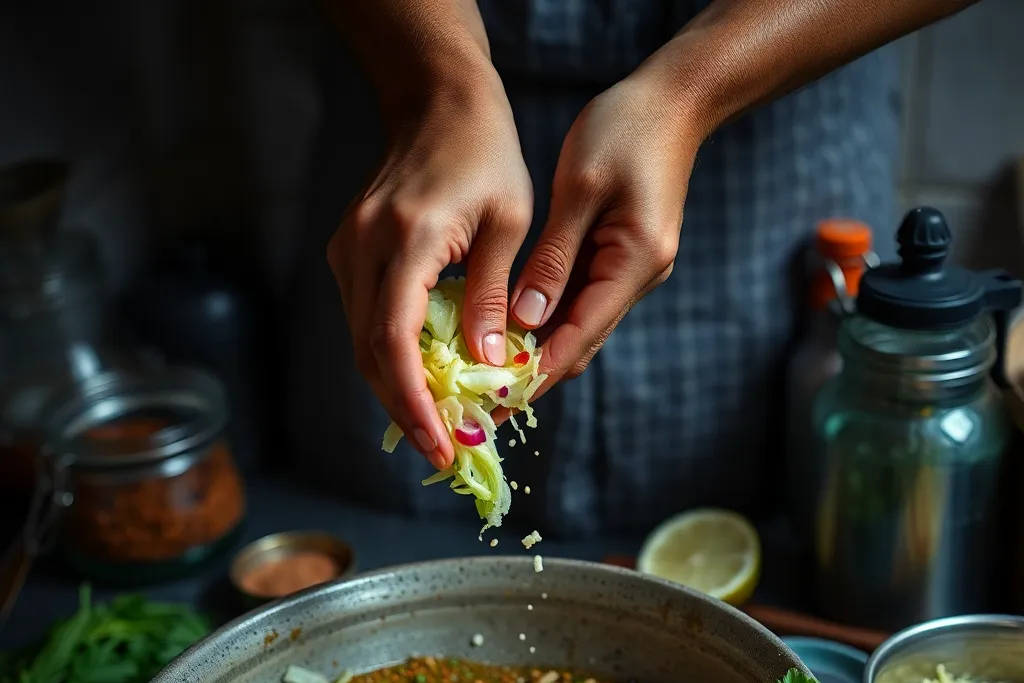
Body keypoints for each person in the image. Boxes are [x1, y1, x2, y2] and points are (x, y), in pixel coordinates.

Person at [285, 0, 977, 539]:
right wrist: (438, 83)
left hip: (775, 113)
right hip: (410, 105)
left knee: (784, 525)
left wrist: (689, 91)